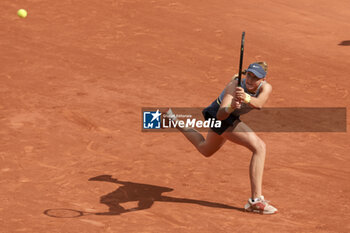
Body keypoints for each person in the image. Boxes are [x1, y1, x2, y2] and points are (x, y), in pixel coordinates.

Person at [164, 61, 278, 214]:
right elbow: (220, 114)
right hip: (218, 116)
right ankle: (256, 201)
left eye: (255, 78)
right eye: (249, 75)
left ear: (263, 80)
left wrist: (245, 98)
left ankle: (172, 119)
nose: (250, 80)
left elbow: (259, 104)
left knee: (205, 149)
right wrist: (232, 106)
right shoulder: (234, 85)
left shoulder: (266, 88)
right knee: (259, 147)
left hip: (230, 119)